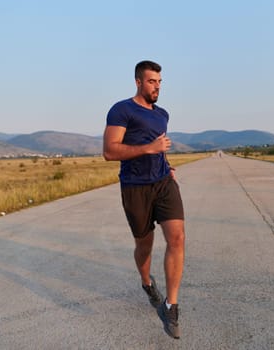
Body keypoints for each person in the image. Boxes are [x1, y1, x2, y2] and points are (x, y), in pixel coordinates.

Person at [103, 60, 185, 339]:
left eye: (160, 82)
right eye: (152, 81)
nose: (157, 87)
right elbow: (109, 151)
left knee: (177, 237)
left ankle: (171, 304)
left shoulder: (163, 113)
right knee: (144, 244)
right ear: (138, 82)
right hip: (135, 187)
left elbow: (159, 146)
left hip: (163, 183)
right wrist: (150, 148)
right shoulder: (121, 109)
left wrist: (167, 162)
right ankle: (147, 282)